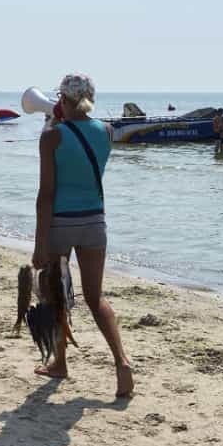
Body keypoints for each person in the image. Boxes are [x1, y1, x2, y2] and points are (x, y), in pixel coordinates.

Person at [33, 73, 133, 397]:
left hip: (60, 223)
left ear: (62, 99)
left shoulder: (51, 137)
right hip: (95, 223)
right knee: (95, 298)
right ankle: (122, 362)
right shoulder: (106, 131)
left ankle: (59, 363)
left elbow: (46, 193)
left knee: (57, 296)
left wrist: (39, 244)